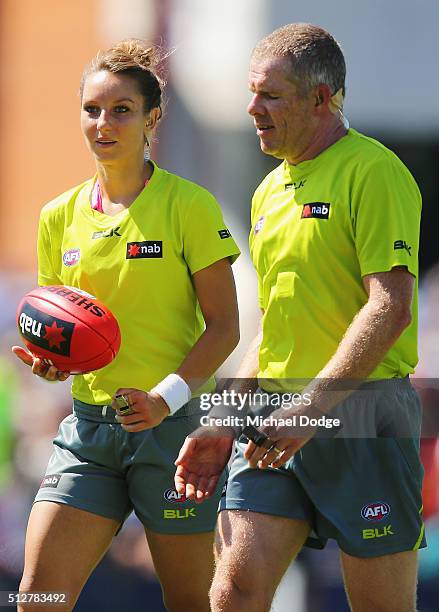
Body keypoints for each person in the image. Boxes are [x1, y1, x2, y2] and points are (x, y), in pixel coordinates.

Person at [175, 23, 425, 612]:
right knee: (234, 589)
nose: (251, 108)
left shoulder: (375, 171)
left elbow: (388, 307)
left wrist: (312, 409)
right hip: (274, 411)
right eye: (252, 92)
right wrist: (222, 418)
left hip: (362, 413)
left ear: (321, 98)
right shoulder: (268, 194)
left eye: (271, 95)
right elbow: (273, 326)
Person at [12, 39, 240, 612]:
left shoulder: (190, 206)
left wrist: (164, 399)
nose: (104, 123)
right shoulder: (57, 216)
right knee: (41, 597)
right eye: (92, 109)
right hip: (90, 432)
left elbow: (225, 328)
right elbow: (62, 329)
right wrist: (50, 360)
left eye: (121, 110)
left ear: (151, 118)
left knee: (191, 601)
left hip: (175, 435)